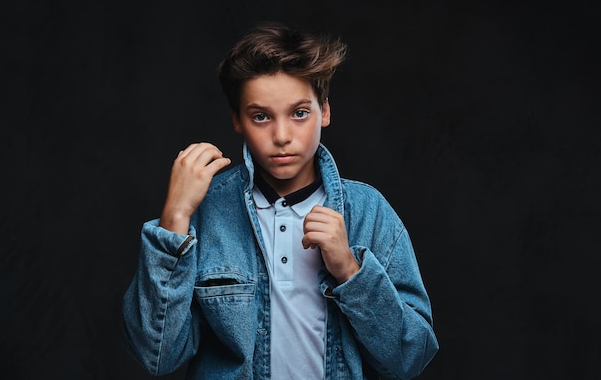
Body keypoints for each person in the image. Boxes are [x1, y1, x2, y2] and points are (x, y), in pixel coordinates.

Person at [122, 22, 439, 380]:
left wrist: (350, 271)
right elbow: (157, 356)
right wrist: (175, 217)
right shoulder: (206, 210)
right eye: (261, 116)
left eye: (300, 113)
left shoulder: (368, 211)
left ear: (325, 112)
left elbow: (409, 358)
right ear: (237, 120)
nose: (282, 136)